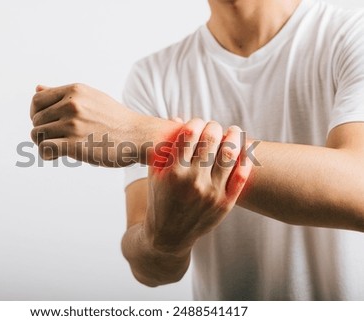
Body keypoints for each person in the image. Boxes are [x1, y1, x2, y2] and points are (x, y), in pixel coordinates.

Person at [30, 0, 364, 300]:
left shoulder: (352, 33)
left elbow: (358, 188)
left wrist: (142, 133)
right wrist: (164, 237)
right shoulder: (152, 76)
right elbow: (150, 270)